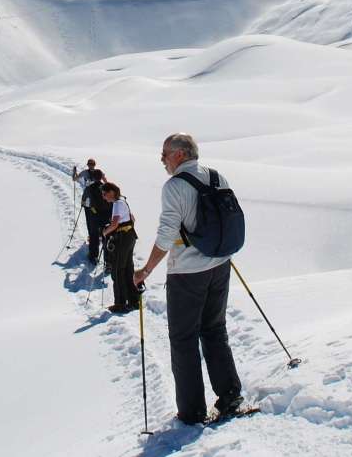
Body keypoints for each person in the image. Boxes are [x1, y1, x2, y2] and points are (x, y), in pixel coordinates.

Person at [134, 132, 243, 425]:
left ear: (180, 154)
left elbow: (167, 233)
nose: (162, 160)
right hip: (220, 265)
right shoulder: (217, 177)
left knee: (183, 339)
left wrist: (145, 270)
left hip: (187, 273)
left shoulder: (175, 186)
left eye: (164, 154)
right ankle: (230, 394)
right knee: (215, 330)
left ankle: (193, 411)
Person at [100, 181, 140, 313]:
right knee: (128, 268)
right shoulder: (123, 201)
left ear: (111, 192)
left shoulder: (117, 204)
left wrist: (104, 233)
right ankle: (134, 300)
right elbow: (132, 218)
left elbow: (115, 223)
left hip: (123, 238)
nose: (104, 197)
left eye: (105, 194)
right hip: (130, 236)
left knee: (117, 270)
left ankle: (120, 303)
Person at [81, 168, 112, 265]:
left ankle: (93, 256)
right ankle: (108, 262)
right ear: (101, 177)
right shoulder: (106, 188)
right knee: (106, 237)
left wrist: (84, 205)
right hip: (107, 215)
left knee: (94, 235)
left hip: (94, 215)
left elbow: (84, 200)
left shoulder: (89, 188)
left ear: (93, 177)